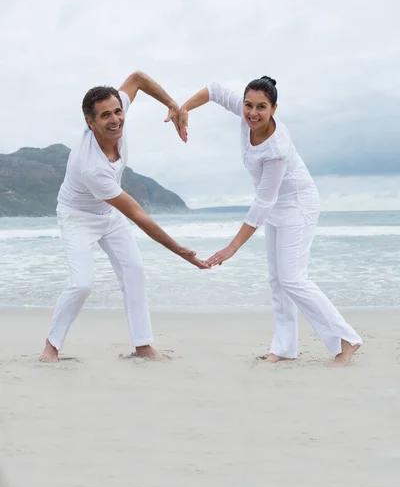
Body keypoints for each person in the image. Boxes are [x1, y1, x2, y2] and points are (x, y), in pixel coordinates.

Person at [178, 76, 362, 365]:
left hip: (297, 207)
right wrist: (184, 108)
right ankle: (285, 348)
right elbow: (213, 90)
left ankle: (345, 339)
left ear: (274, 108)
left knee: (292, 278)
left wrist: (232, 247)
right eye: (248, 105)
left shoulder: (277, 149)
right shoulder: (245, 113)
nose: (252, 113)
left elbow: (263, 201)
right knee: (278, 281)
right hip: (277, 207)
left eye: (261, 107)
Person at [40, 71, 208, 363]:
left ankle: (143, 346)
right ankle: (51, 347)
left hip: (108, 213)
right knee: (82, 283)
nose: (115, 119)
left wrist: (172, 104)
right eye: (105, 116)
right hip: (77, 216)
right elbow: (137, 214)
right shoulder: (90, 165)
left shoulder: (117, 112)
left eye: (118, 111)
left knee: (134, 272)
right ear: (90, 123)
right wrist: (180, 251)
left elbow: (138, 78)